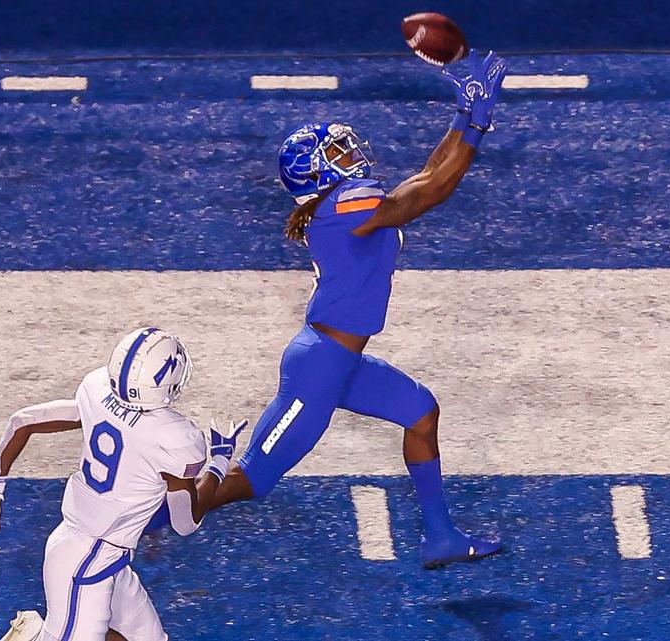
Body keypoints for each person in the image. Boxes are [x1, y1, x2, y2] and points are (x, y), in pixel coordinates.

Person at [203, 50, 509, 568]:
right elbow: (434, 190)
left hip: (341, 362)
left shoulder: (341, 205)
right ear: (317, 173)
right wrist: (478, 121)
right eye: (337, 153)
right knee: (248, 480)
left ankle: (441, 538)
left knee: (421, 413)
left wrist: (463, 109)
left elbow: (426, 175)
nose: (351, 156)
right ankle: (137, 518)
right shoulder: (341, 208)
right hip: (319, 367)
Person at [0, 327, 246, 641]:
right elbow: (185, 522)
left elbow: (23, 420)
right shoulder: (176, 439)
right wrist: (219, 461)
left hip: (99, 554)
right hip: (85, 561)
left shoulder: (96, 389)